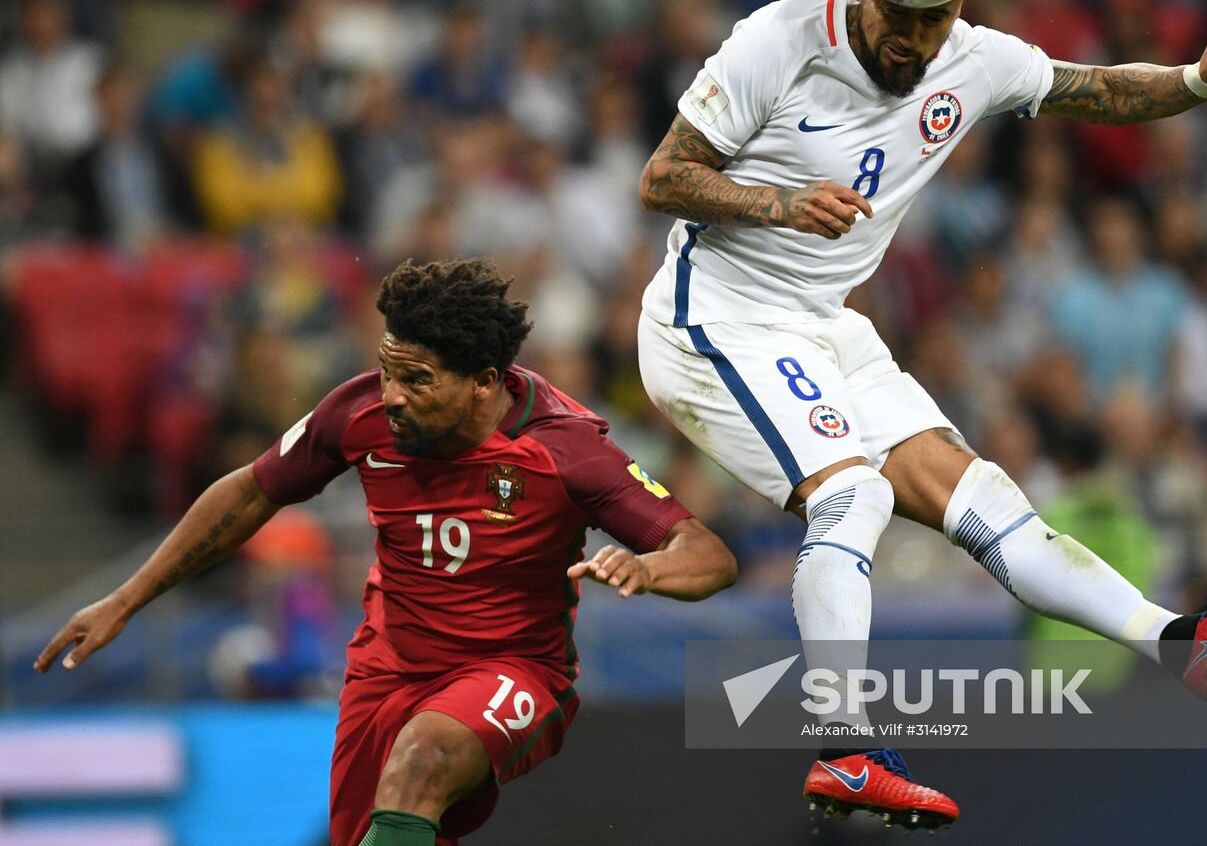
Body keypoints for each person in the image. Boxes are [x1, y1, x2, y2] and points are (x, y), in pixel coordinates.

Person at [636, 0, 1207, 831]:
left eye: (935, 14)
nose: (913, 38)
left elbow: (1098, 89)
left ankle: (1178, 642)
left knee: (982, 496)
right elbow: (665, 176)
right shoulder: (775, 42)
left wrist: (1199, 79)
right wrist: (776, 200)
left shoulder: (975, 59)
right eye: (898, 11)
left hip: (824, 325)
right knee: (854, 488)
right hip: (713, 320)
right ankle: (843, 746)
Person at [35, 257, 738, 846]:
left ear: (484, 383)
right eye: (387, 370)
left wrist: (646, 567)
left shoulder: (566, 451)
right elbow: (251, 492)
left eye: (418, 380)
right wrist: (126, 598)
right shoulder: (359, 410)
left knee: (422, 758)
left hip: (515, 673)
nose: (393, 396)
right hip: (386, 669)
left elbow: (706, 554)